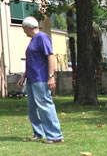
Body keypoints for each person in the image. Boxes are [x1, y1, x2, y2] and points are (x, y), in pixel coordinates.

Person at [17, 16, 64, 144]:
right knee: (32, 108)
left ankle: (55, 136)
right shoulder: (33, 40)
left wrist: (51, 76)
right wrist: (24, 76)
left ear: (27, 27)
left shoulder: (42, 37)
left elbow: (50, 56)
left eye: (23, 28)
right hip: (31, 79)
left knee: (45, 106)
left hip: (41, 78)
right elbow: (32, 61)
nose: (23, 31)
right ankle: (39, 133)